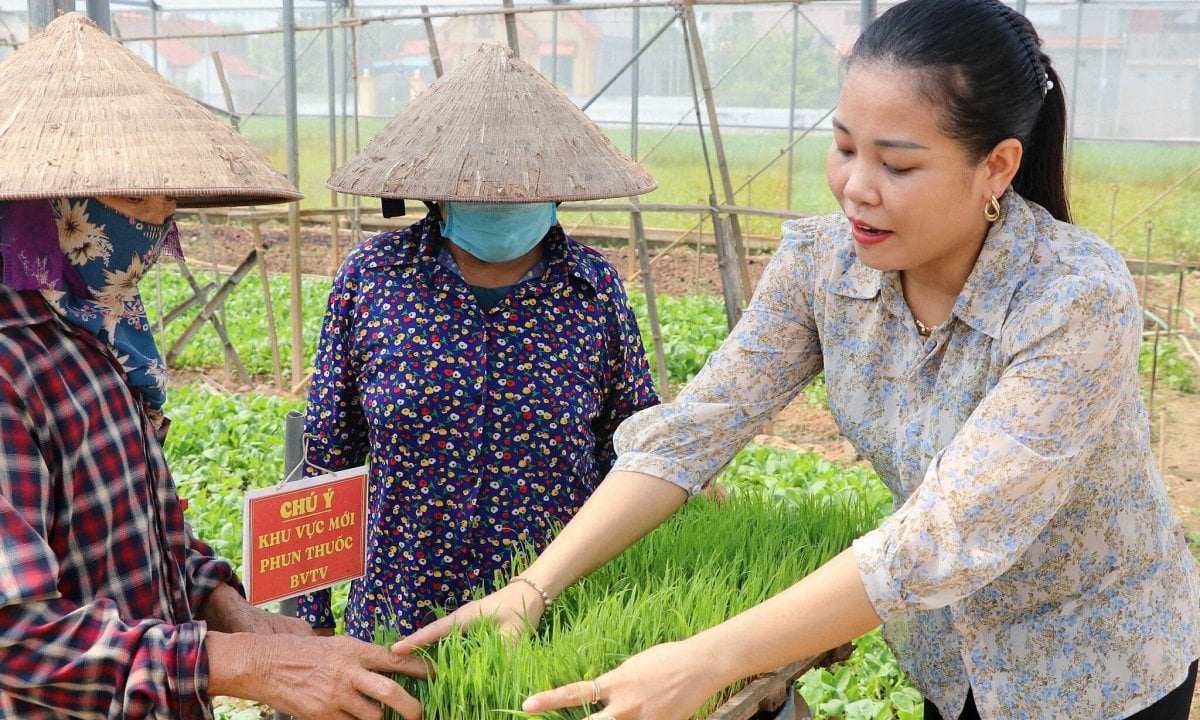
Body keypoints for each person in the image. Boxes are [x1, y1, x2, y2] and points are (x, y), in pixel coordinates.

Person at [399, 2, 1200, 719]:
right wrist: (532, 588)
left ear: (997, 165)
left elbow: (946, 532)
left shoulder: (1073, 297)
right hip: (948, 662)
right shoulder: (825, 264)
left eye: (898, 164)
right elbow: (697, 428)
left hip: (1098, 667)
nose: (856, 187)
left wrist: (704, 661)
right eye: (844, 147)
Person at [0, 14, 426, 719]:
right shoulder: (11, 363)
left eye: (168, 205)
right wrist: (240, 663)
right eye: (136, 200)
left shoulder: (106, 330)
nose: (154, 227)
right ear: (45, 205)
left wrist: (225, 606)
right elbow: (13, 633)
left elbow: (144, 531)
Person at [297, 42, 660, 641]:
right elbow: (326, 462)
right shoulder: (372, 280)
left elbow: (633, 451)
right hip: (397, 619)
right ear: (433, 190)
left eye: (519, 187)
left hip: (555, 621)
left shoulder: (593, 291)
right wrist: (311, 634)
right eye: (478, 186)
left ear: (558, 188)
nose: (499, 201)